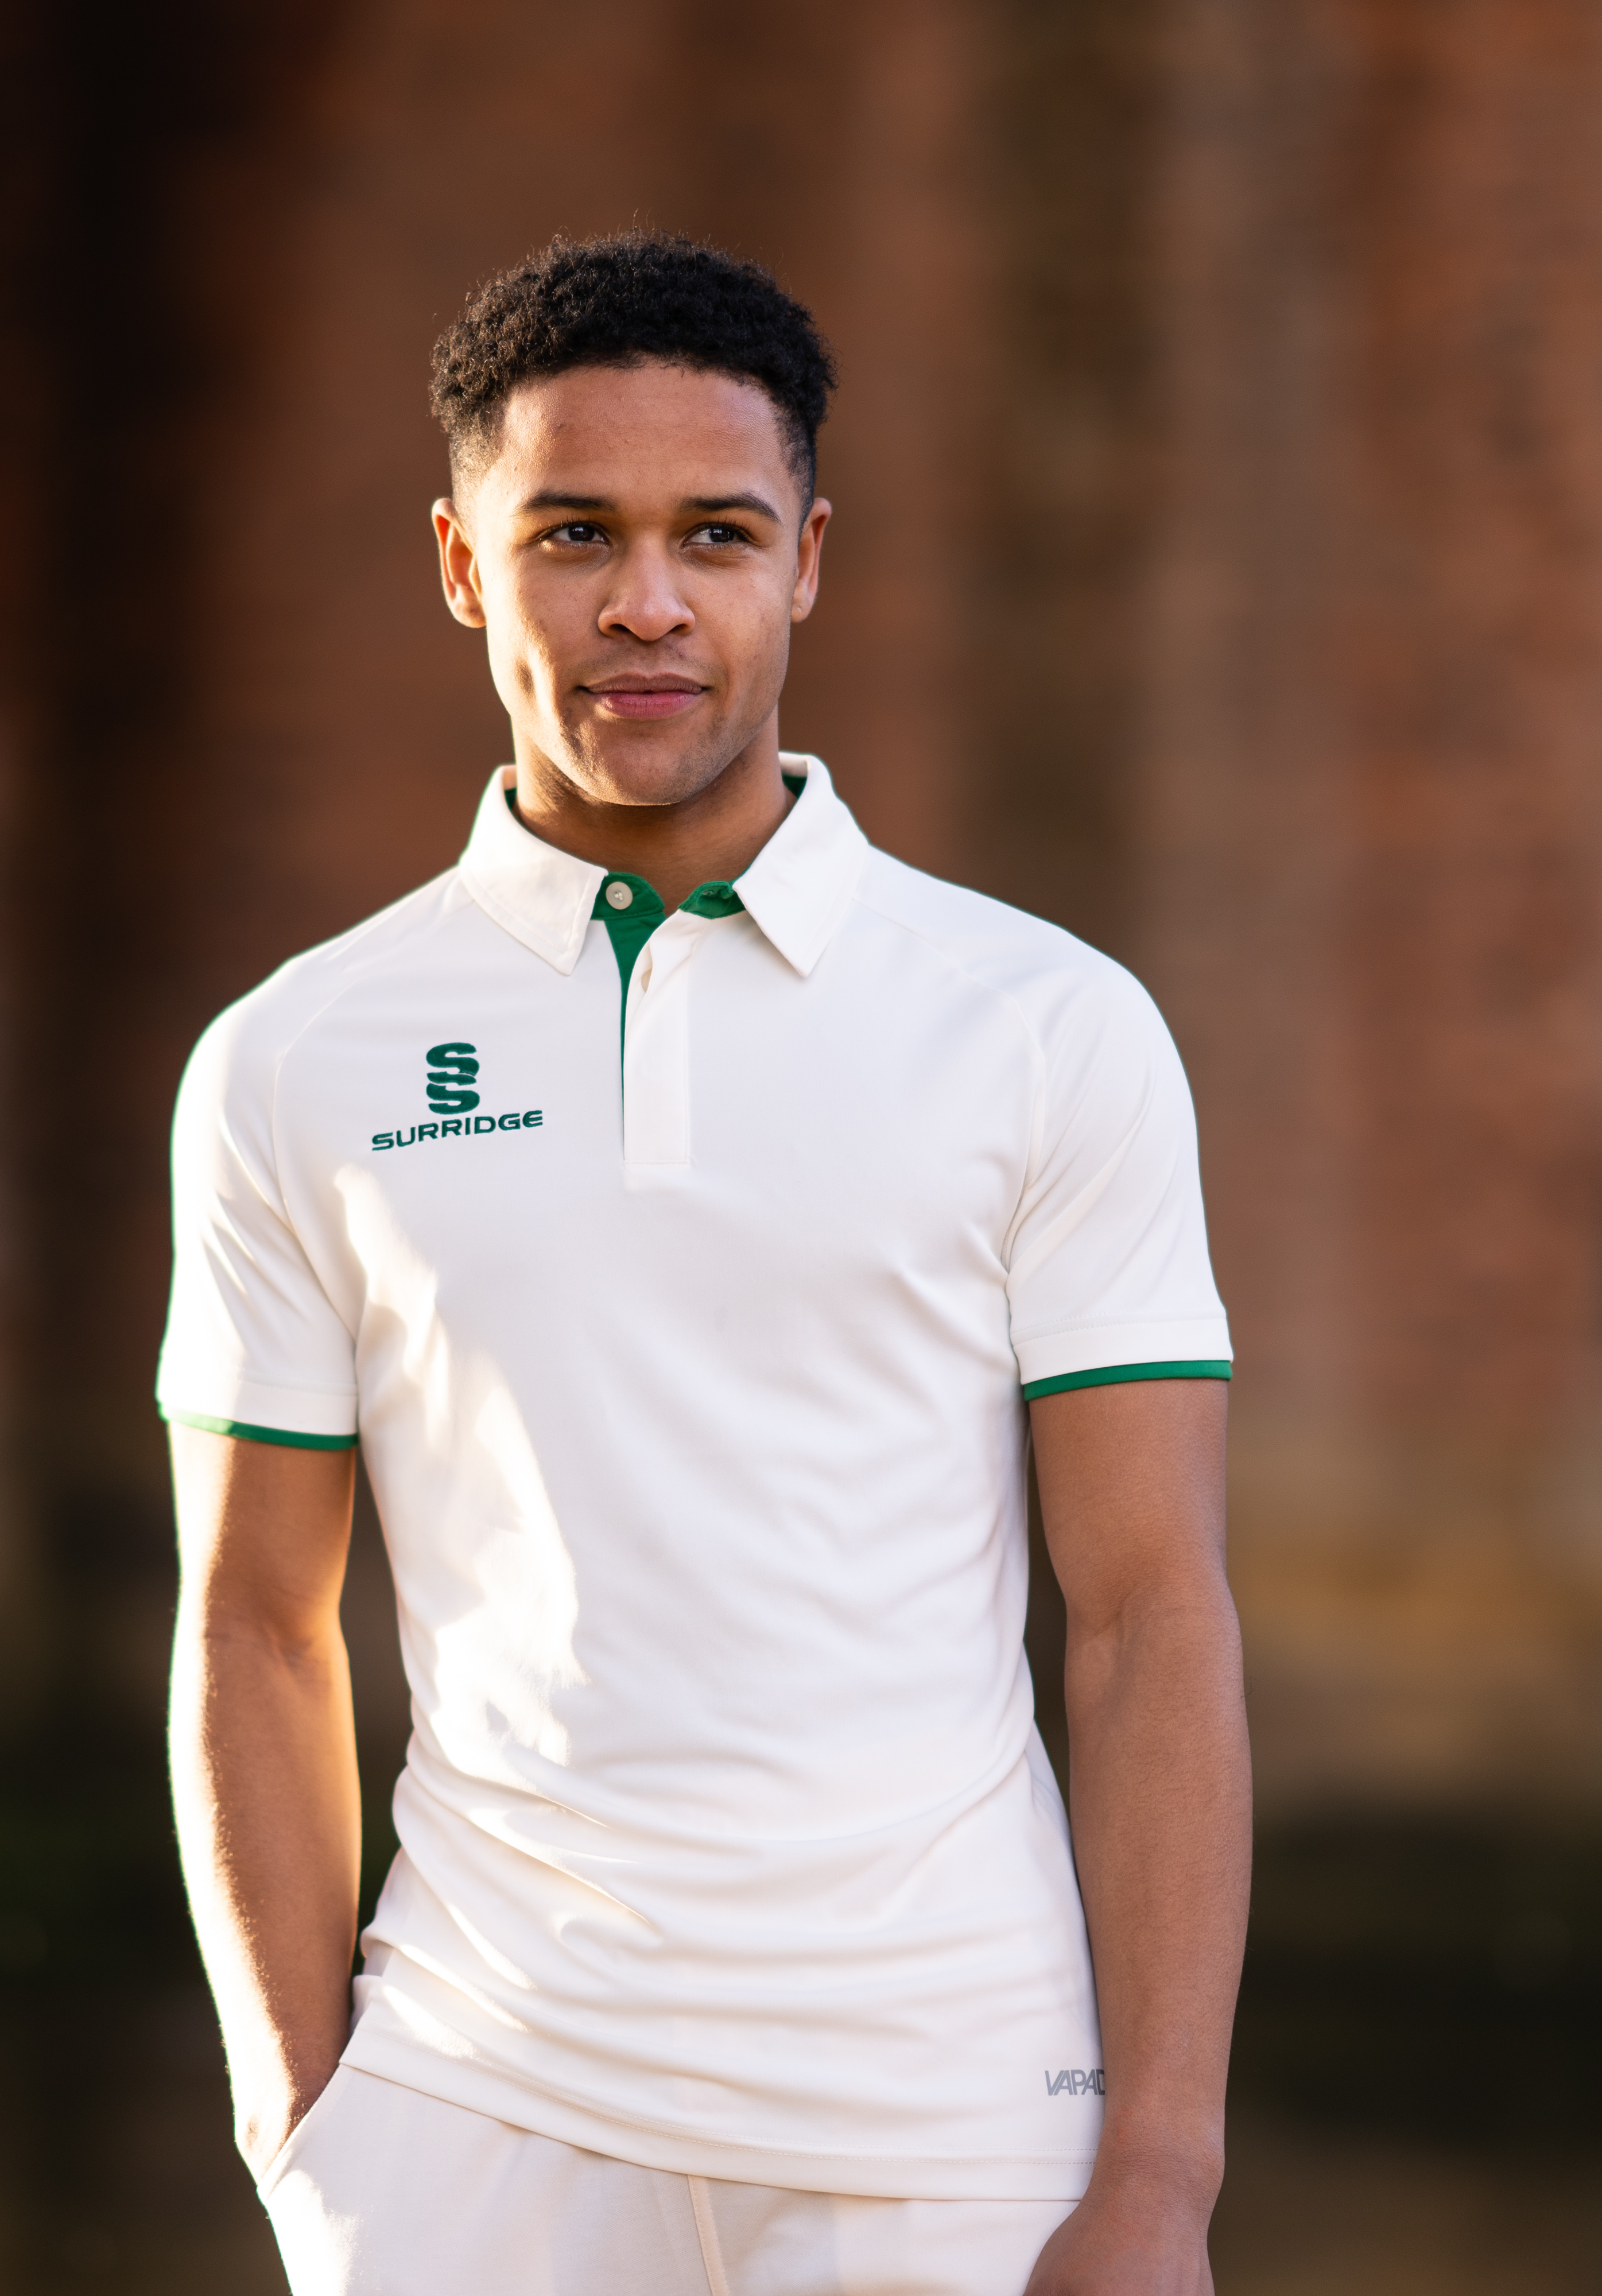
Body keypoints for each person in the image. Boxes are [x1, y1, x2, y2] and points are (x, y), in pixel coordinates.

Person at [159, 231, 1249, 2296]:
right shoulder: (297, 1059)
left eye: (715, 535)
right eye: (573, 531)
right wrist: (302, 2130)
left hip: (947, 2118)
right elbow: (256, 1623)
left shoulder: (1045, 1027)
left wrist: (1160, 2177)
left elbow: (1147, 1615)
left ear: (807, 563)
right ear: (464, 565)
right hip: (473, 2118)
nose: (645, 603)